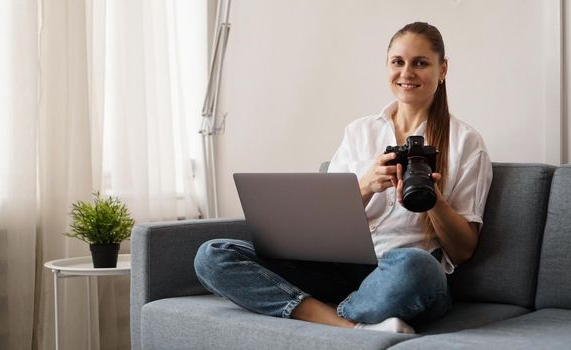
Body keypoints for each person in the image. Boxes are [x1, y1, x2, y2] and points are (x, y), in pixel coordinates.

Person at [194, 22, 492, 334]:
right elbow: (324, 221)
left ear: (442, 69)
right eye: (398, 62)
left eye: (420, 63)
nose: (407, 73)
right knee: (212, 255)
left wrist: (431, 198)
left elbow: (462, 251)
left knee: (417, 267)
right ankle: (348, 325)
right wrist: (365, 185)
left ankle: (323, 312)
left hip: (401, 275)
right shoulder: (360, 131)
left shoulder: (466, 143)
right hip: (339, 270)